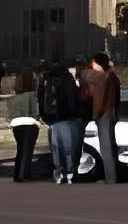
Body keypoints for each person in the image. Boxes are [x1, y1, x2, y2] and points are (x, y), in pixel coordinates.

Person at [37, 56, 85, 186]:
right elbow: (72, 97)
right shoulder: (67, 77)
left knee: (56, 147)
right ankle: (70, 172)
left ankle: (59, 171)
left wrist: (43, 114)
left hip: (52, 118)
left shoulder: (45, 77)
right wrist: (74, 112)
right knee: (69, 146)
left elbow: (40, 97)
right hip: (67, 117)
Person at [88, 53, 123, 185]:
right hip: (110, 113)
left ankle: (111, 179)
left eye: (94, 63)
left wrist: (95, 115)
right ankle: (113, 176)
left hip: (104, 114)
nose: (92, 65)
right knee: (110, 146)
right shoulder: (112, 77)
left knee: (106, 148)